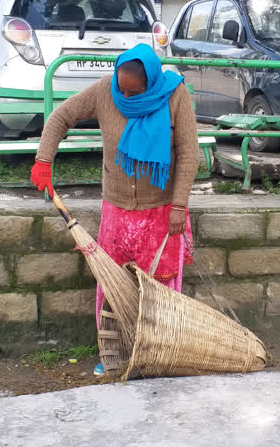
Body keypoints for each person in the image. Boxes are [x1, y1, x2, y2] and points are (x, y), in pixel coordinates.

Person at [30, 43, 198, 375]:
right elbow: (61, 116)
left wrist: (179, 204)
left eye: (132, 90)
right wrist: (43, 160)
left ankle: (158, 353)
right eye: (121, 87)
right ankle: (116, 352)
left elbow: (190, 154)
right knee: (113, 285)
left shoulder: (175, 95)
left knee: (160, 287)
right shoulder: (106, 90)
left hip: (161, 210)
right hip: (116, 210)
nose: (125, 94)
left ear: (149, 80)